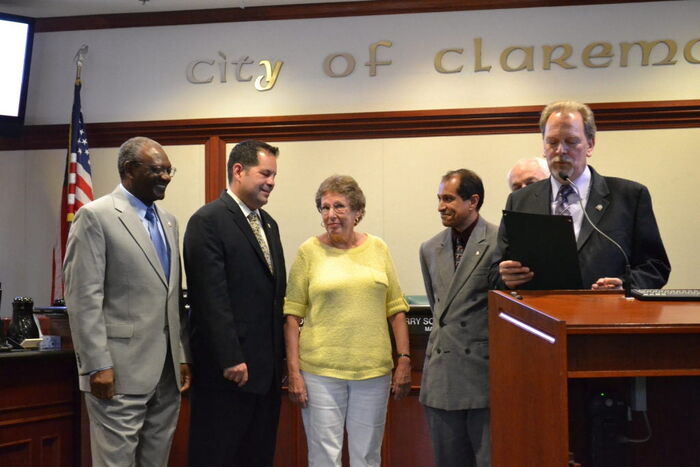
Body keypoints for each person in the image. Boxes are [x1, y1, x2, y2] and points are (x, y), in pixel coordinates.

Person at [64, 136, 191, 467]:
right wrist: (96, 364)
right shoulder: (95, 216)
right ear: (129, 169)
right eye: (157, 170)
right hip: (116, 372)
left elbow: (170, 296)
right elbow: (82, 298)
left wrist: (179, 355)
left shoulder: (169, 221)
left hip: (165, 375)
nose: (166, 177)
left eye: (168, 170)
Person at [284, 175, 411, 467]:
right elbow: (292, 316)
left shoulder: (379, 248)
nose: (331, 215)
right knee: (324, 457)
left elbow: (396, 309)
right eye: (324, 208)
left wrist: (404, 359)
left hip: (373, 373)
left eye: (339, 206)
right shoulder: (308, 252)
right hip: (320, 374)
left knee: (367, 456)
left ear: (358, 211)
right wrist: (294, 373)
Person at [184, 140, 286, 467]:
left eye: (274, 175)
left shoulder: (268, 223)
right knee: (216, 455)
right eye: (265, 173)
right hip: (227, 374)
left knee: (257, 457)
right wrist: (230, 358)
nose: (271, 182)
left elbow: (272, 297)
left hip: (265, 375)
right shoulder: (208, 220)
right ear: (238, 171)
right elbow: (209, 297)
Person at [495, 100, 670, 290]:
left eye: (571, 141)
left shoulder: (629, 196)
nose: (560, 150)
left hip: (605, 314)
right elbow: (494, 272)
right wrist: (505, 277)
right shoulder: (520, 199)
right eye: (552, 142)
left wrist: (625, 286)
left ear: (590, 145)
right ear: (543, 146)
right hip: (538, 316)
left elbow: (655, 267)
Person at [419, 169, 499, 467]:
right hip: (441, 378)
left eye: (449, 199)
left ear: (473, 201)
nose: (441, 206)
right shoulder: (429, 248)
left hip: (484, 377)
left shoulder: (499, 241)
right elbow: (440, 309)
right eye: (440, 198)